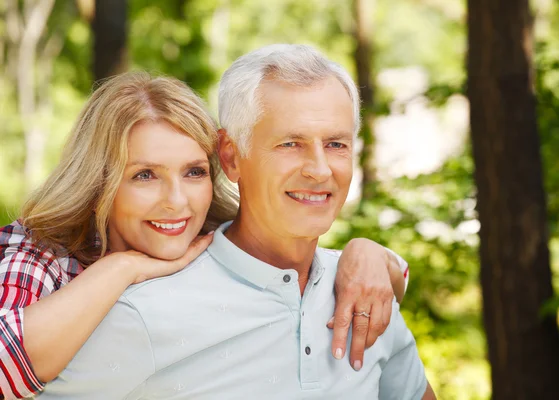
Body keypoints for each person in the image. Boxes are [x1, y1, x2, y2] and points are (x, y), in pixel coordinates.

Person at [39, 45, 435, 399]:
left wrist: (369, 254)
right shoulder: (143, 313)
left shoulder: (367, 295)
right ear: (230, 157)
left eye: (336, 144)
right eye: (290, 144)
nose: (318, 169)